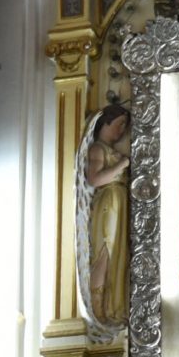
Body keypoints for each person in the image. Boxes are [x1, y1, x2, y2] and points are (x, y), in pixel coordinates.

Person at [80, 100, 133, 327]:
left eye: (124, 127)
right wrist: (121, 166)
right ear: (106, 123)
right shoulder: (97, 149)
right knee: (105, 253)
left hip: (118, 202)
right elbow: (94, 179)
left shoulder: (111, 151)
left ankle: (115, 304)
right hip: (108, 203)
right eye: (119, 125)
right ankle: (99, 310)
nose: (121, 131)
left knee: (119, 254)